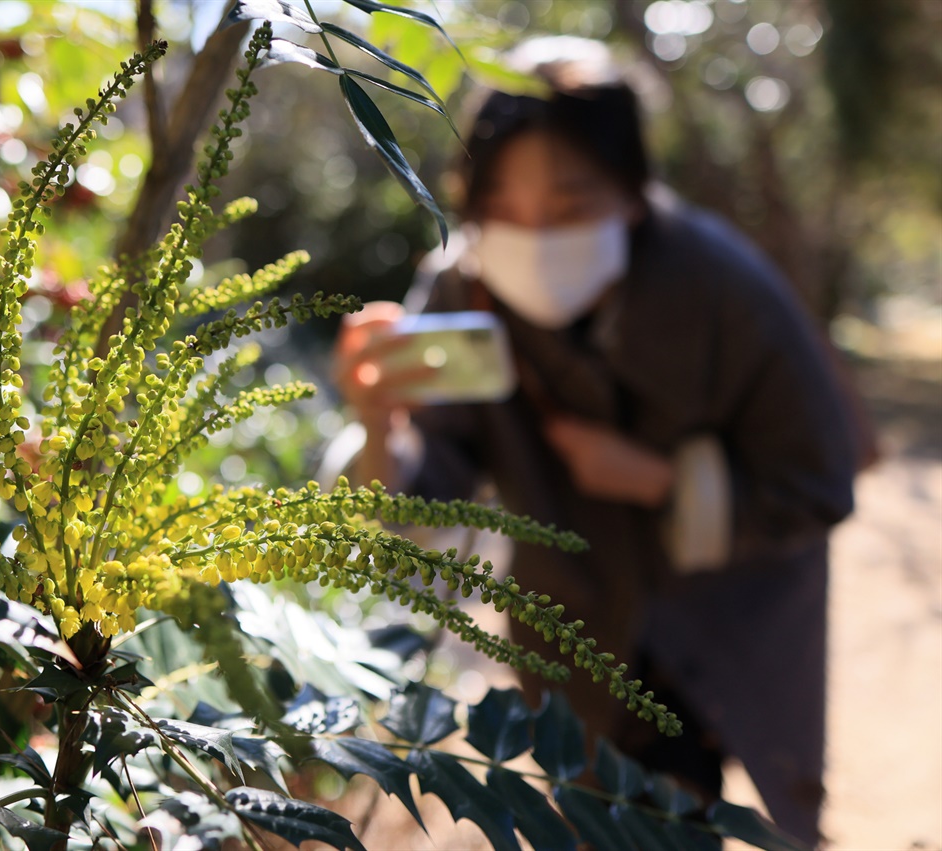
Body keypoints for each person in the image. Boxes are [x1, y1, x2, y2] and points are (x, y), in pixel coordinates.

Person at [333, 36, 857, 847]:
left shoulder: (728, 289)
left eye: (572, 203)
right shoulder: (464, 289)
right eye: (502, 207)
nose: (534, 235)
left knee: (679, 818)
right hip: (570, 642)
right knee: (586, 817)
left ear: (635, 193)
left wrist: (664, 484)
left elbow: (819, 480)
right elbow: (418, 510)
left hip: (721, 628)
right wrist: (377, 422)